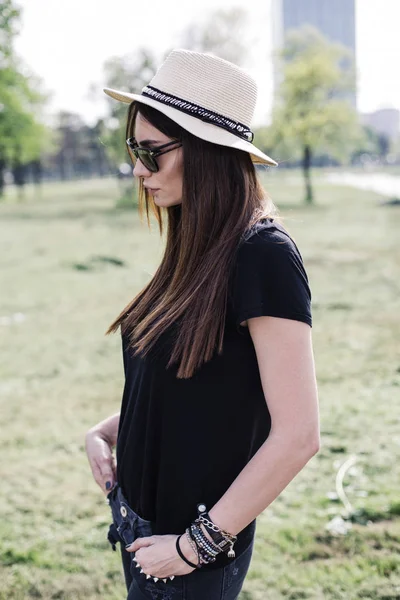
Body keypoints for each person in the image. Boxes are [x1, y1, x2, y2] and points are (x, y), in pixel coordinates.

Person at [85, 48, 320, 600]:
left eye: (151, 152)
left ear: (208, 152)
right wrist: (107, 430)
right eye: (133, 149)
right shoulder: (196, 243)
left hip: (188, 555)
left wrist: (194, 548)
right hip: (143, 532)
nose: (138, 169)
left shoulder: (264, 254)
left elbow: (298, 436)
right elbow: (200, 386)